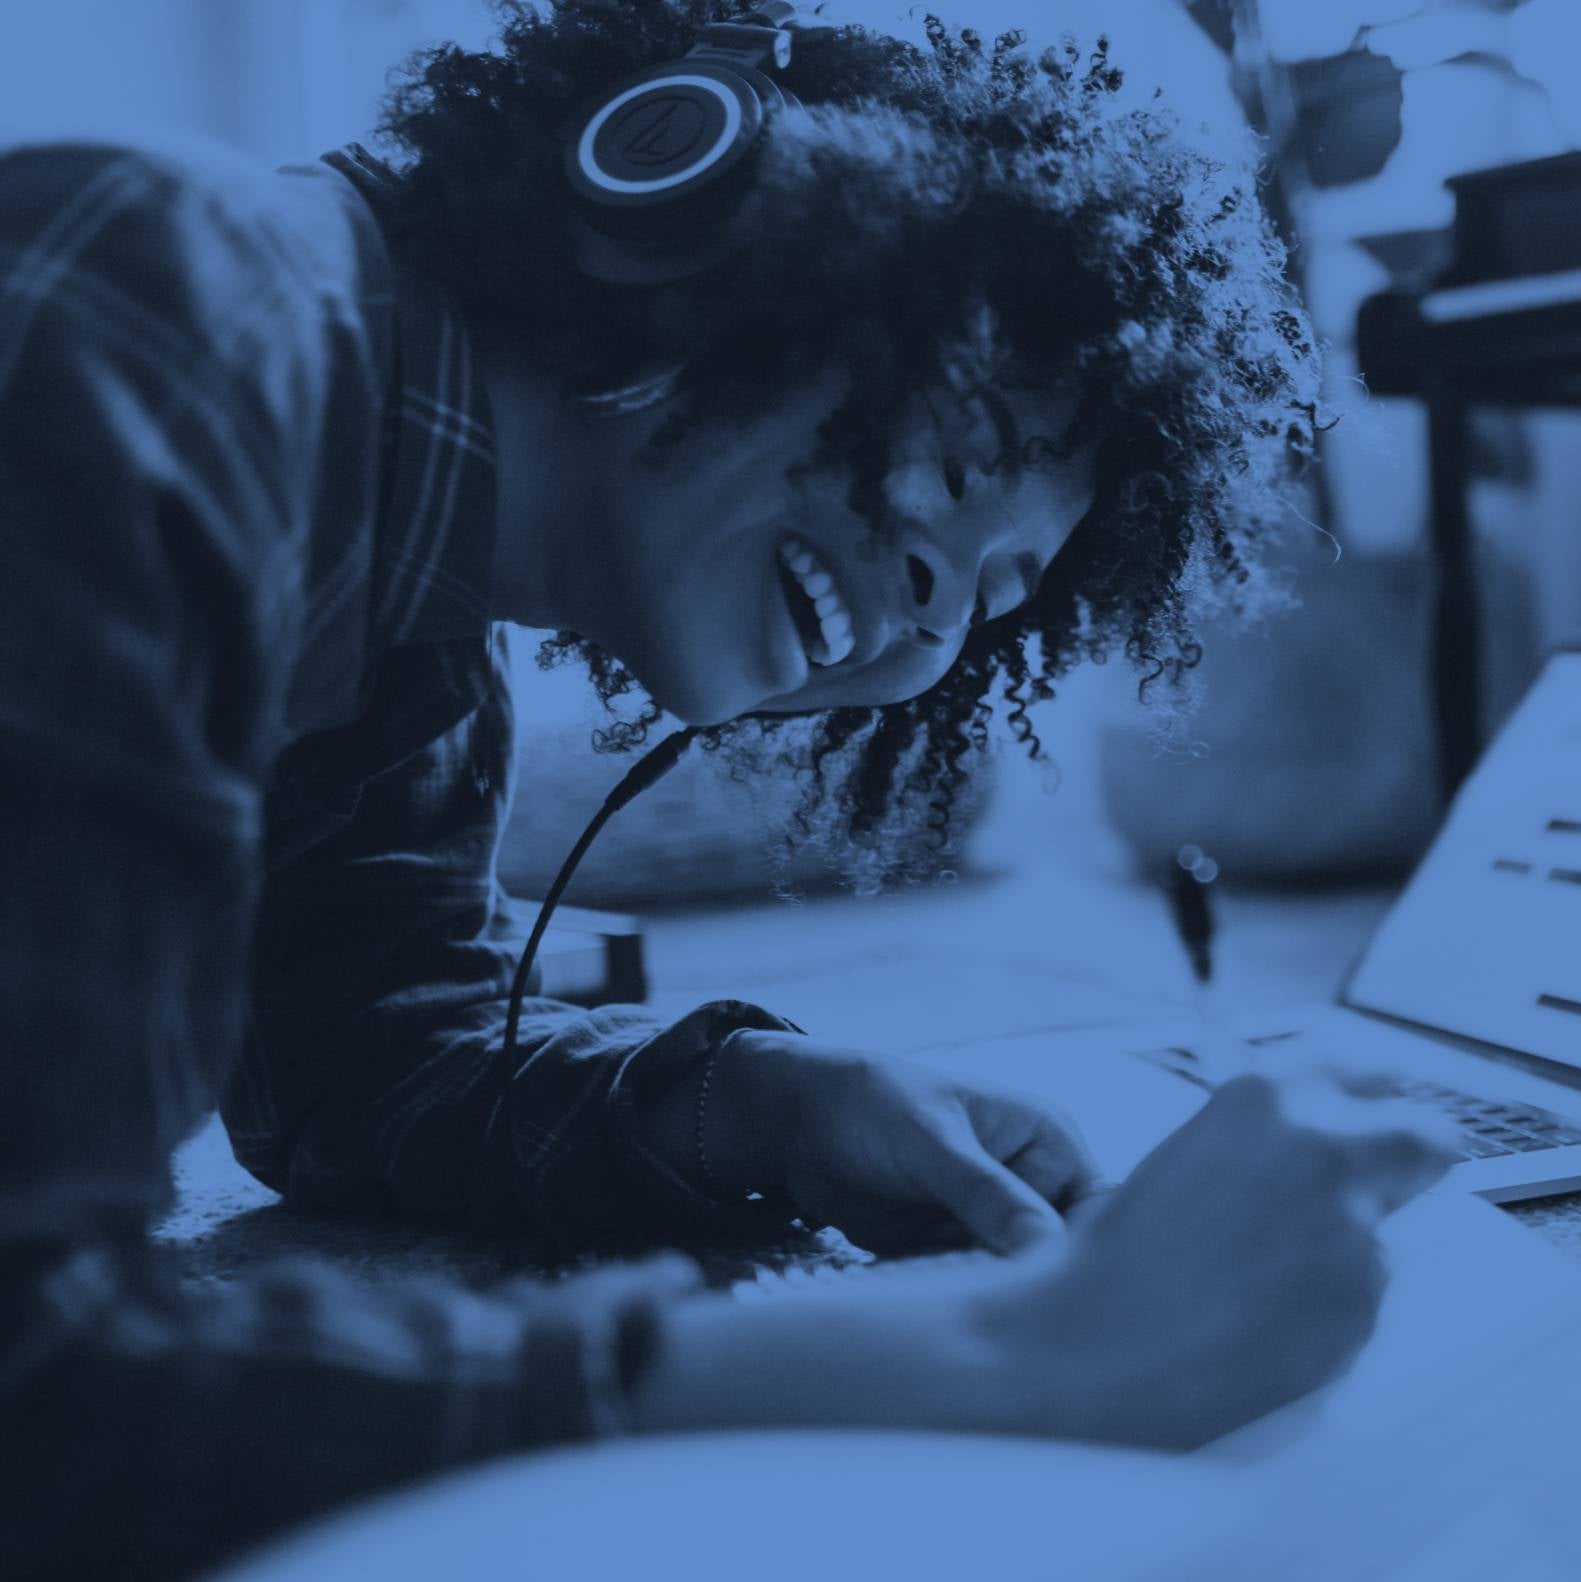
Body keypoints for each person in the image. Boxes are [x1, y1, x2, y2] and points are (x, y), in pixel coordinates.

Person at [0, 4, 1455, 1576]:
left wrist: (765, 1104)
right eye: (961, 465)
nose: (931, 612)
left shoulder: (407, 603)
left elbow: (372, 1061)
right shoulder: (165, 307)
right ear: (690, 199)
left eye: (999, 595)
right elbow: (41, 1385)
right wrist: (1014, 1361)